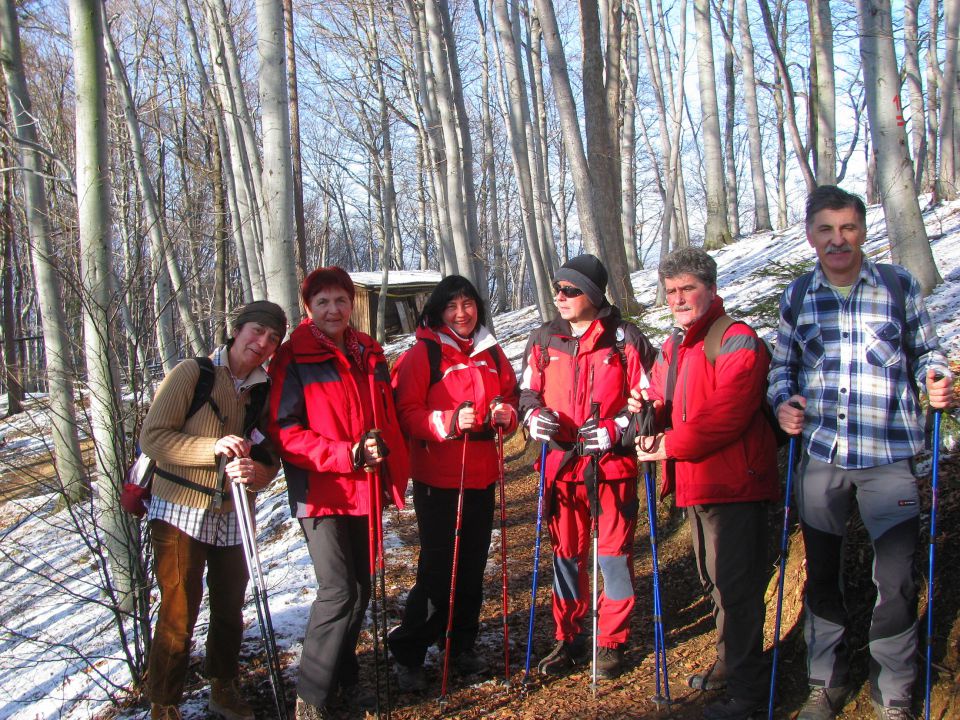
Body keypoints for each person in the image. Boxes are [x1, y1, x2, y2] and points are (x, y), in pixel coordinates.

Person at [768, 185, 953, 720]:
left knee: (894, 579)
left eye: (847, 228)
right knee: (822, 574)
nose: (837, 239)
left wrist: (935, 378)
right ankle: (826, 681)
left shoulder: (898, 285)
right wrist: (783, 404)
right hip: (821, 457)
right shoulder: (798, 296)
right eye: (825, 230)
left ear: (863, 230)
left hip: (890, 456)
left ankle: (892, 688)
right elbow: (782, 369)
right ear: (810, 236)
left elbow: (926, 352)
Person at [630, 247, 778, 720]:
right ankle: (728, 664)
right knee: (715, 582)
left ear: (711, 289)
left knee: (736, 587)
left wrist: (670, 445)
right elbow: (661, 394)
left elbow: (729, 413)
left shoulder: (736, 338)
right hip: (697, 483)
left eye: (687, 288)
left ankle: (749, 694)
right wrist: (645, 404)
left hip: (735, 483)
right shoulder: (674, 346)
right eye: (671, 291)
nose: (679, 298)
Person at [266, 267, 410, 720]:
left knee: (361, 589)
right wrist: (345, 454)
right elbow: (284, 432)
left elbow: (385, 416)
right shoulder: (293, 357)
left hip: (364, 487)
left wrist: (386, 464)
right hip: (322, 490)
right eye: (323, 302)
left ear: (352, 304)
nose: (333, 310)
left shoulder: (368, 350)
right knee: (337, 590)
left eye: (340, 300)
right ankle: (310, 699)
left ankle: (344, 676)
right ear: (308, 308)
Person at [140, 300, 287, 720]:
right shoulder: (193, 373)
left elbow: (269, 455)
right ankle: (163, 703)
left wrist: (257, 473)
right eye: (256, 331)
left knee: (229, 608)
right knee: (178, 611)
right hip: (179, 510)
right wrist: (213, 449)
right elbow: (154, 438)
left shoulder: (264, 388)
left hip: (234, 514)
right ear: (236, 330)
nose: (262, 343)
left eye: (272, 338)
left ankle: (223, 686)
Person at [518, 254, 656, 680]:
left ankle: (611, 639)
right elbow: (526, 393)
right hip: (561, 468)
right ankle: (568, 636)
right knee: (566, 557)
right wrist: (532, 417)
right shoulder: (544, 340)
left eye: (570, 290)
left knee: (613, 558)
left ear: (593, 296)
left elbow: (650, 402)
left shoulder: (625, 339)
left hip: (612, 468)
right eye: (557, 288)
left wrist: (619, 429)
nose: (559, 297)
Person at [387, 275, 519, 691]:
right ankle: (409, 650)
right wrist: (446, 422)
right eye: (451, 306)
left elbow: (512, 395)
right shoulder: (422, 354)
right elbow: (406, 412)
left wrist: (507, 416)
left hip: (481, 473)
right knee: (440, 568)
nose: (462, 313)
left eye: (468, 304)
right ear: (438, 312)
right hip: (438, 477)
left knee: (474, 565)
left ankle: (459, 645)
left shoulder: (490, 351)